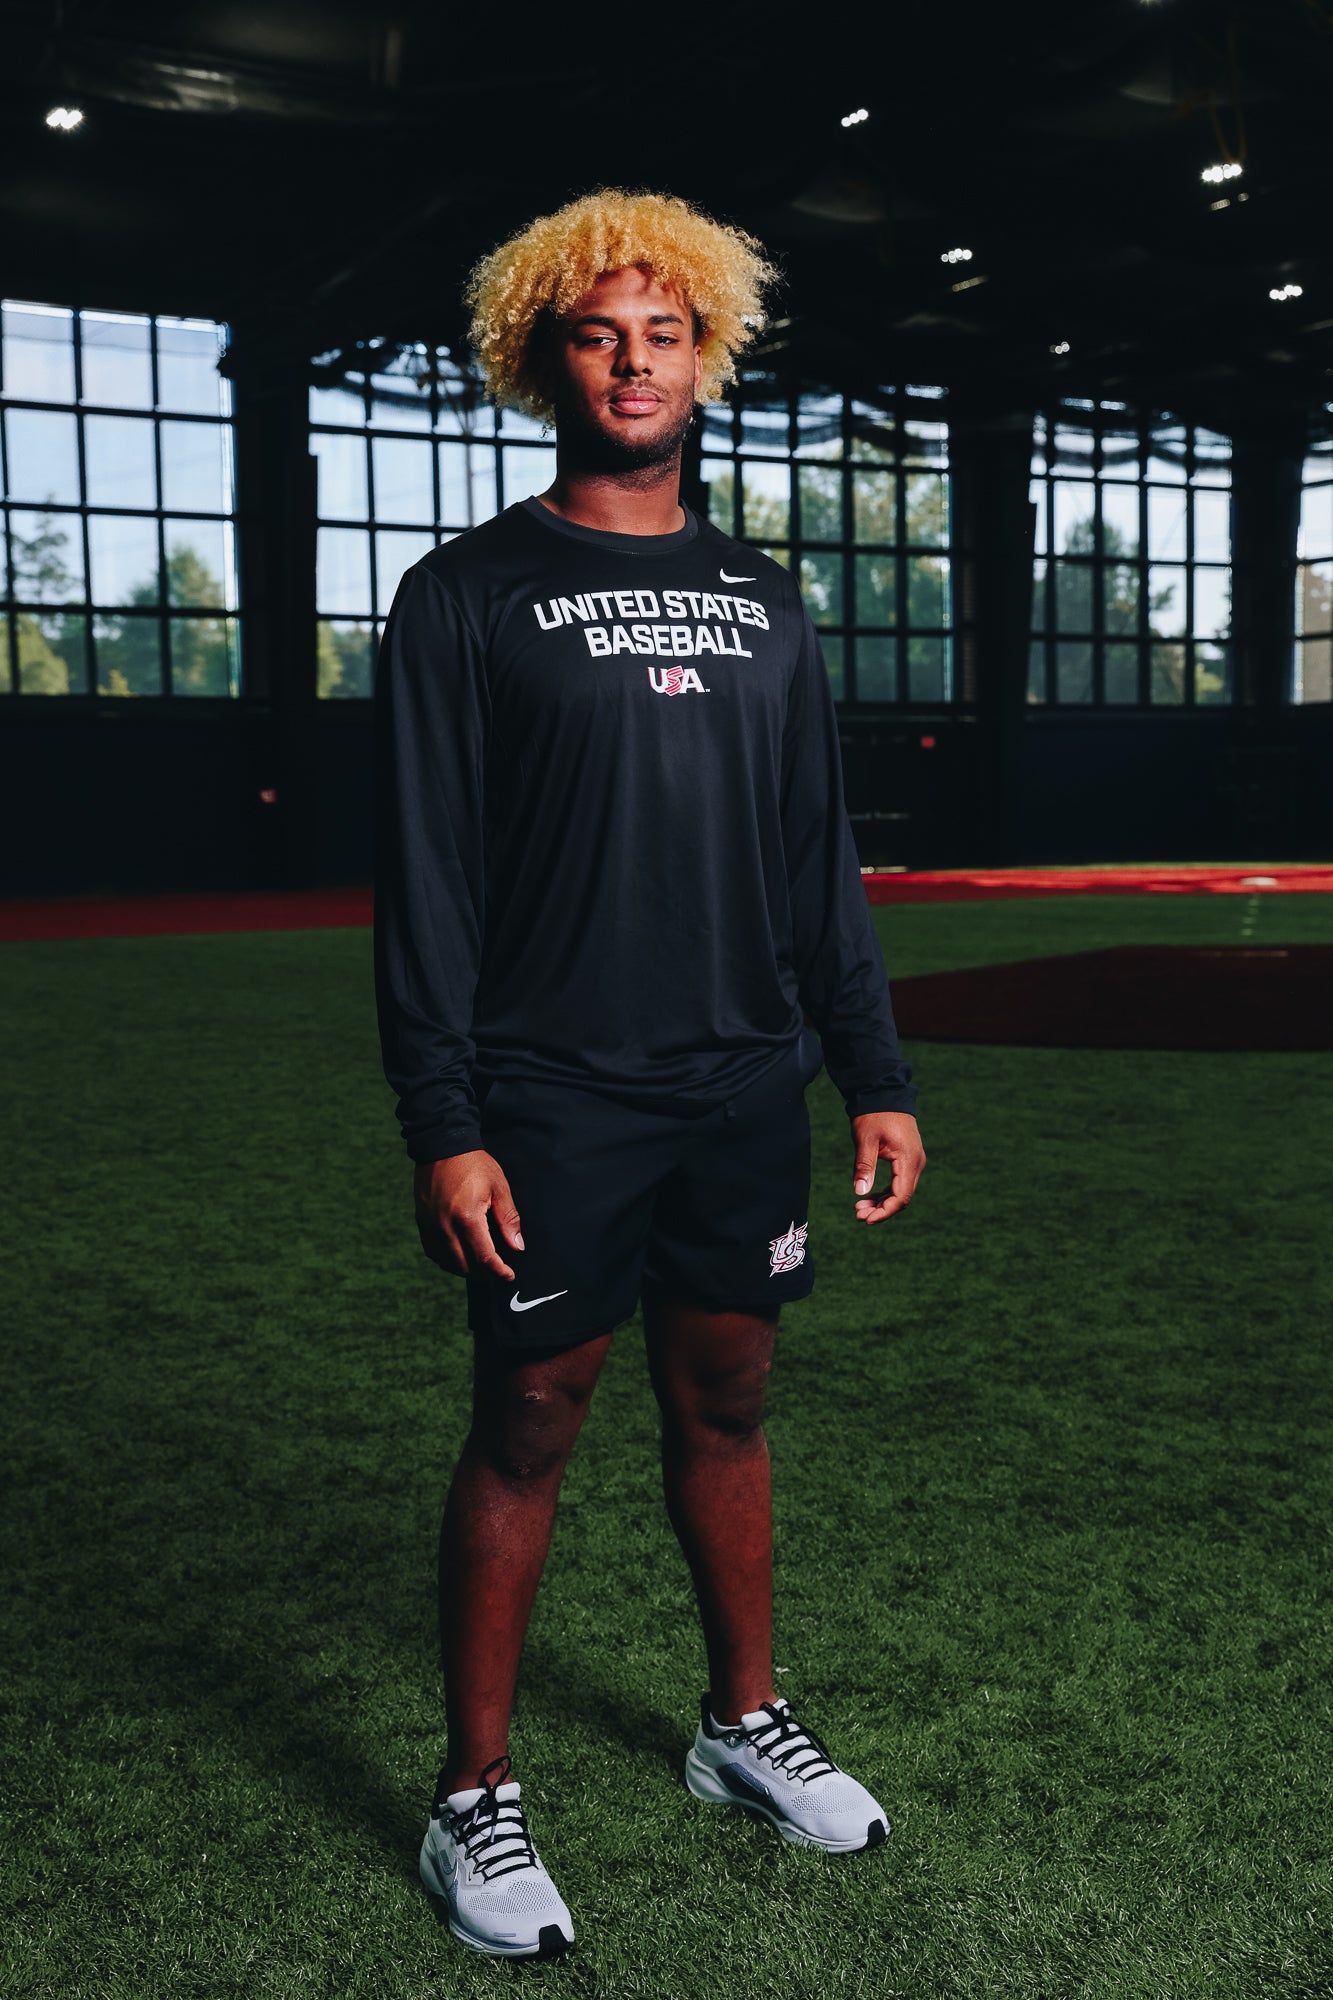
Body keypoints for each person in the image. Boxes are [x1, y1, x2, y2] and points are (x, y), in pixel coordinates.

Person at [374, 189, 926, 1962]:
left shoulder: (762, 600)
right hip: (552, 1089)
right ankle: (475, 1797)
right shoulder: (463, 595)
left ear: (707, 352)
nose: (632, 360)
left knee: (733, 1401)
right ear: (543, 355)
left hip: (741, 1082)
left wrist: (873, 1070)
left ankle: (737, 1725)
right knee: (529, 1420)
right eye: (597, 334)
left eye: (662, 332)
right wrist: (445, 1125)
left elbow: (811, 855)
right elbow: (429, 885)